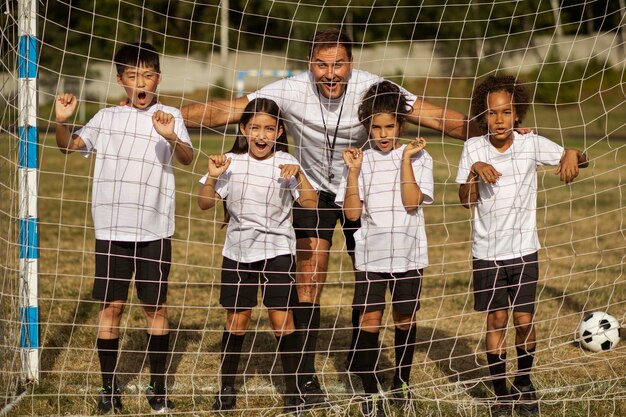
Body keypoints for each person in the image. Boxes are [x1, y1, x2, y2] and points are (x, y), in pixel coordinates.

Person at [183, 28, 479, 402]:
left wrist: (488, 131)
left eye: (338, 63)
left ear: (350, 63)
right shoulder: (289, 89)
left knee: (368, 271)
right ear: (311, 64)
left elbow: (433, 117)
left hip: (361, 186)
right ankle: (305, 374)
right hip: (311, 192)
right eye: (322, 65)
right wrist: (167, 118)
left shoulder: (373, 88)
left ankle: (360, 353)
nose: (330, 73)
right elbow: (230, 110)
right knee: (309, 275)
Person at [54, 42, 193, 414]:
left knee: (155, 308)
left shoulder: (170, 114)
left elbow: (187, 156)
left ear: (158, 79)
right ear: (121, 81)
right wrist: (63, 122)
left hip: (156, 229)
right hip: (113, 230)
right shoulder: (106, 117)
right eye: (133, 76)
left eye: (148, 75)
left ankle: (158, 389)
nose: (141, 82)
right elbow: (69, 148)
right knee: (111, 308)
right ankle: (108, 390)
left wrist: (171, 137)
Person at [456, 75, 588, 417]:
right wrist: (474, 171)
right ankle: (500, 391)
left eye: (506, 112)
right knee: (496, 320)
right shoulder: (473, 148)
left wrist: (572, 153)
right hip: (486, 252)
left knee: (524, 320)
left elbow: (580, 157)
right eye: (491, 113)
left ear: (517, 115)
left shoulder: (530, 144)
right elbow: (464, 201)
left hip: (524, 248)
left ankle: (525, 383)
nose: (498, 119)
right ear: (482, 116)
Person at [198, 98, 317, 413]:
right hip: (238, 252)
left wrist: (300, 175)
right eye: (255, 128)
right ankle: (227, 388)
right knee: (237, 319)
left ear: (279, 131)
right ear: (243, 129)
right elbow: (205, 202)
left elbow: (310, 203)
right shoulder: (230, 162)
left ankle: (293, 393)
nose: (261, 135)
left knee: (281, 320)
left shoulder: (287, 162)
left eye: (269, 128)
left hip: (278, 252)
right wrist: (212, 176)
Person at [335, 81, 434, 417]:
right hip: (371, 256)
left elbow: (410, 201)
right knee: (370, 318)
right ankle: (369, 390)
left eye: (389, 126)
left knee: (404, 318)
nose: (382, 133)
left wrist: (405, 159)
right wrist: (353, 173)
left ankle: (401, 382)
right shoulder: (359, 160)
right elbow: (350, 213)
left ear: (400, 126)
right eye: (376, 127)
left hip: (409, 254)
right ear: (367, 127)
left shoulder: (419, 156)